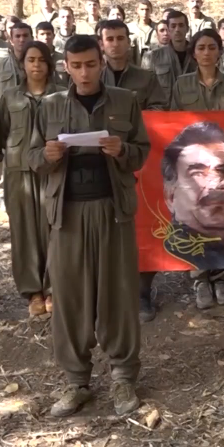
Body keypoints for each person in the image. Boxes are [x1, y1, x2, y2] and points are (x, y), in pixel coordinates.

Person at [28, 34, 150, 417]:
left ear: (102, 63)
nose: (84, 73)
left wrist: (123, 150)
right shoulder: (50, 105)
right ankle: (76, 381)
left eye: (91, 64)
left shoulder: (125, 101)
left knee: (118, 292)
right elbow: (30, 157)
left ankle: (123, 376)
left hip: (113, 210)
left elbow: (142, 153)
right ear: (66, 67)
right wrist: (46, 155)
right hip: (67, 214)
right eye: (77, 66)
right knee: (69, 297)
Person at [169, 29, 224, 309]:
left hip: (222, 162)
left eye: (212, 47)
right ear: (193, 53)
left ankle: (222, 278)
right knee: (195, 217)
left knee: (221, 217)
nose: (206, 53)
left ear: (219, 52)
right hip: (195, 164)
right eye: (201, 48)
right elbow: (172, 122)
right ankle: (200, 278)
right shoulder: (181, 85)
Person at [98, 19, 168, 322]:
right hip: (100, 161)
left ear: (129, 42)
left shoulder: (146, 78)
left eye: (120, 38)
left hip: (138, 160)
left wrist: (131, 121)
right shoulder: (90, 74)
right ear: (101, 44)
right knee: (104, 227)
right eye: (109, 39)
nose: (115, 44)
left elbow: (161, 112)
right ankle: (111, 291)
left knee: (142, 223)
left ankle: (142, 291)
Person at [0, 40, 58, 317]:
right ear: (22, 64)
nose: (36, 65)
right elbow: (0, 132)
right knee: (24, 232)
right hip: (19, 173)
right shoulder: (10, 96)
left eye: (41, 60)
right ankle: (33, 291)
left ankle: (54, 288)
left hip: (52, 171)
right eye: (31, 60)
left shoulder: (62, 95)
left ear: (49, 64)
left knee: (53, 229)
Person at [160, 121, 224, 285]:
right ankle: (201, 283)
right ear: (170, 196)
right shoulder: (164, 256)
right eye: (197, 174)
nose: (215, 184)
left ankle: (221, 282)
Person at [141, 10, 195, 100]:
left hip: (192, 106)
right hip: (165, 107)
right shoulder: (153, 57)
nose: (177, 29)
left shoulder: (197, 55)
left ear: (187, 29)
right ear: (168, 30)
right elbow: (145, 89)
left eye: (181, 25)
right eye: (173, 26)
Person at [0, 22, 33, 102]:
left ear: (32, 39)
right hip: (6, 109)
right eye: (17, 36)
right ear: (11, 41)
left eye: (25, 36)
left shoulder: (40, 65)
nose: (22, 39)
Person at [34, 22, 71, 89]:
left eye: (48, 34)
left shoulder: (62, 58)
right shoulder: (33, 60)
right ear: (36, 37)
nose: (46, 37)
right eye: (42, 34)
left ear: (53, 36)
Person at [129, 0, 157, 64]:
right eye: (142, 9)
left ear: (151, 10)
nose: (145, 12)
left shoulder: (157, 28)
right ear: (137, 10)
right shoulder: (130, 28)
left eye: (147, 9)